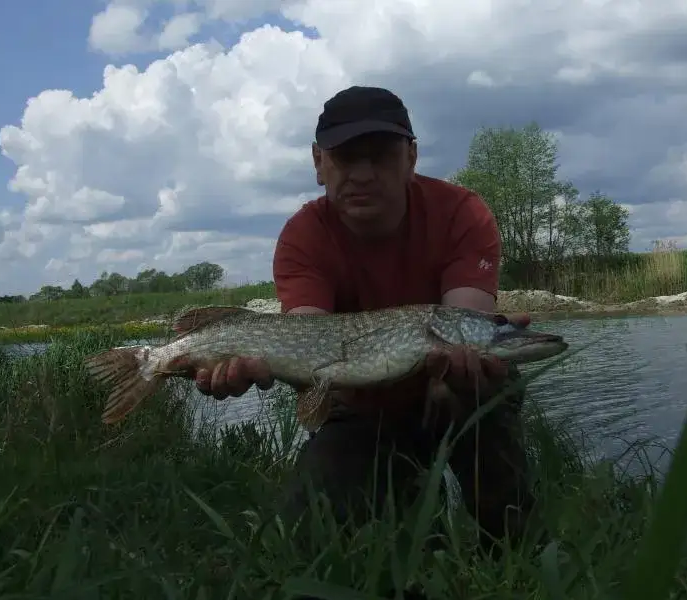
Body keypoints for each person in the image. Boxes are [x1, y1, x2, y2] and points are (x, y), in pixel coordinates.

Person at [194, 85, 535, 547]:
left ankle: (510, 550)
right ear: (318, 162)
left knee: (489, 398)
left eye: (380, 156)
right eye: (345, 157)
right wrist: (251, 365)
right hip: (358, 405)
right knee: (304, 537)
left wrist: (470, 358)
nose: (362, 174)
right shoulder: (303, 236)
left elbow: (464, 320)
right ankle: (410, 517)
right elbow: (307, 341)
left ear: (411, 157)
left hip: (461, 393)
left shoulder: (461, 213)